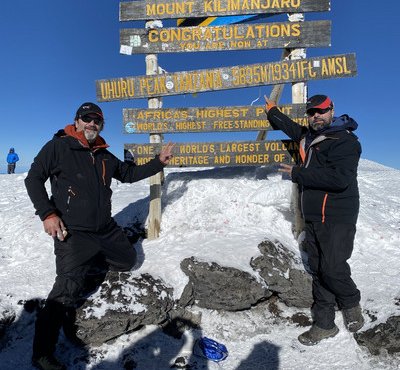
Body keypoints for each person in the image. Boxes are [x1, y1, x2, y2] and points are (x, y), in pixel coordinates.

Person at [25, 102, 174, 370]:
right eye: (87, 118)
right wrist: (48, 214)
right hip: (73, 232)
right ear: (77, 121)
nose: (92, 123)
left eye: (97, 120)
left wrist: (157, 163)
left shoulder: (104, 154)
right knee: (66, 290)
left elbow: (127, 174)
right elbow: (33, 179)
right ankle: (41, 354)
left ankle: (90, 265)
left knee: (128, 260)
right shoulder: (58, 146)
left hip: (104, 228)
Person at [264, 94, 364, 346]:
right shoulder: (309, 137)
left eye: (321, 111)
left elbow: (339, 179)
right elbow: (291, 128)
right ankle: (324, 324)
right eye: (311, 112)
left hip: (337, 215)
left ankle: (351, 301)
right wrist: (272, 111)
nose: (316, 116)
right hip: (313, 216)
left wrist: (299, 173)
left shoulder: (345, 141)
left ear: (332, 110)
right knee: (319, 269)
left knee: (333, 267)